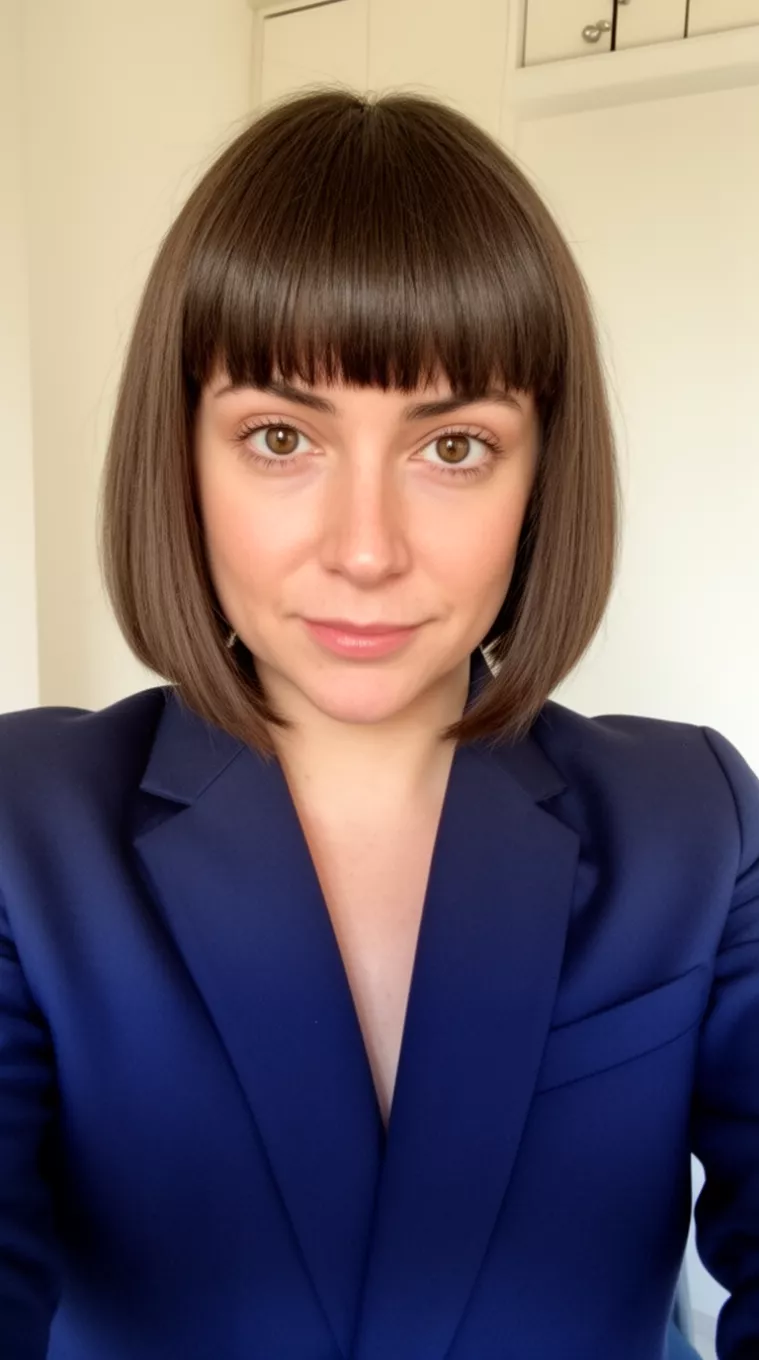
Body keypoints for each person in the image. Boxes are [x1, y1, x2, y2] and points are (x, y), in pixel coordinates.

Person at [0, 85, 754, 1360]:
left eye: (453, 446)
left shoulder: (694, 822)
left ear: (540, 476)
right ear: (181, 456)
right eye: (279, 436)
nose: (365, 550)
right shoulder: (25, 829)